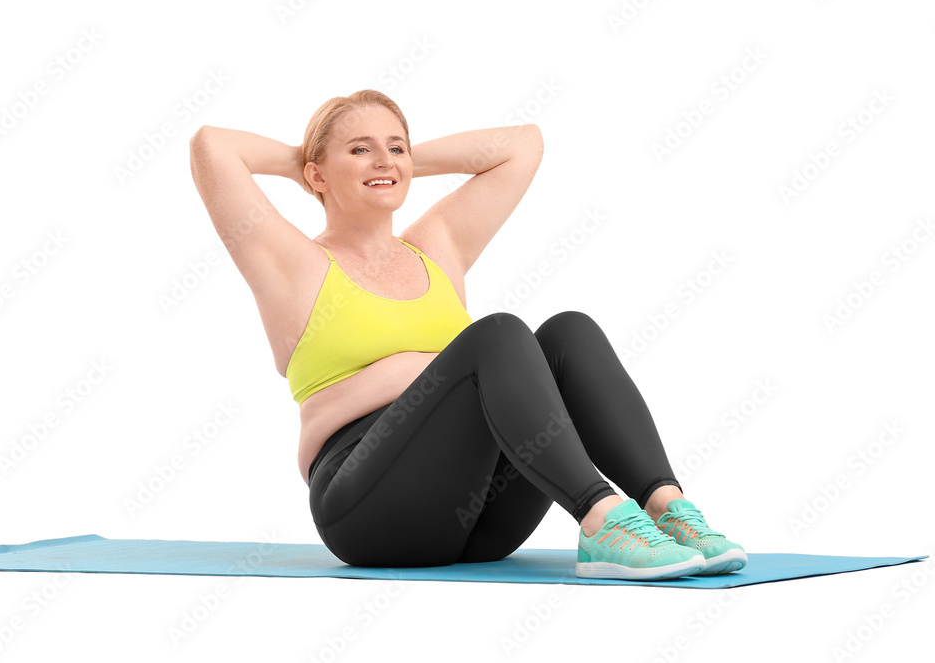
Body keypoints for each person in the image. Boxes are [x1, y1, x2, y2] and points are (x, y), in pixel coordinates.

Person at [188, 89, 747, 580]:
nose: (384, 159)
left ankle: (667, 509)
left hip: (479, 522)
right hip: (366, 511)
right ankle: (602, 518)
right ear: (316, 175)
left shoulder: (435, 247)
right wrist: (310, 160)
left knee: (566, 334)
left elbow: (522, 145)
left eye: (396, 146)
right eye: (360, 148)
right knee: (499, 335)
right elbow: (213, 147)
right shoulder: (296, 264)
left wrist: (392, 163)